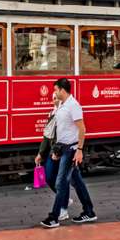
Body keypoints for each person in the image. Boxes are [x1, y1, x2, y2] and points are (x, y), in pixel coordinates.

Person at [40, 78, 98, 228]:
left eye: (55, 90)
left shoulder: (73, 106)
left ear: (62, 90)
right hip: (61, 149)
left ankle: (54, 217)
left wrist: (79, 150)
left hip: (71, 150)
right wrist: (55, 149)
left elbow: (82, 129)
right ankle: (89, 211)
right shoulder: (62, 105)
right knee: (76, 182)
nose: (54, 92)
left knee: (60, 182)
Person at [35, 98, 72, 221]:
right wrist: (41, 153)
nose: (53, 100)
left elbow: (68, 133)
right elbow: (47, 135)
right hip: (53, 151)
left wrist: (60, 150)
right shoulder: (52, 113)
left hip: (63, 150)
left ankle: (63, 209)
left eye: (56, 97)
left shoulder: (65, 113)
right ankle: (64, 199)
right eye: (53, 98)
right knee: (49, 176)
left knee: (62, 180)